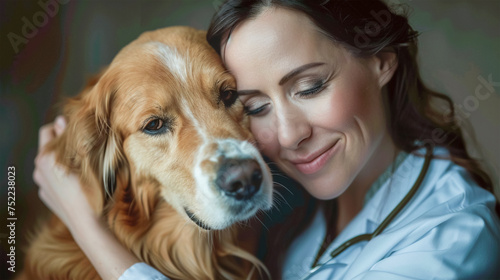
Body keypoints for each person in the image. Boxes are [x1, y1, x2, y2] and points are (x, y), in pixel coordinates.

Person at [33, 0, 500, 279]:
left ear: (381, 60)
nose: (288, 135)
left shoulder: (451, 240)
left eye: (311, 86)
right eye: (254, 105)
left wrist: (83, 222)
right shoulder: (295, 203)